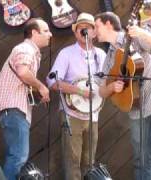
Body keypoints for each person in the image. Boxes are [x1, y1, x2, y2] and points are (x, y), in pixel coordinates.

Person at [94, 12, 151, 179]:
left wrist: (143, 32)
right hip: (136, 109)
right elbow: (101, 90)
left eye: (96, 26)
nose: (94, 31)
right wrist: (113, 86)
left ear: (108, 24)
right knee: (140, 160)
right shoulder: (110, 57)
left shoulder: (134, 37)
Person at [0, 17, 51, 180]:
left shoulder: (29, 51)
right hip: (14, 108)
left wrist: (35, 92)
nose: (50, 34)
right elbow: (23, 73)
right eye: (45, 31)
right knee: (18, 157)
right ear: (34, 33)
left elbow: (22, 79)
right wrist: (41, 87)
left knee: (16, 156)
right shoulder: (26, 49)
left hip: (13, 108)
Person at [46, 12, 106, 180]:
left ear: (94, 32)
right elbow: (53, 82)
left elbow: (106, 82)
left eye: (88, 28)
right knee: (72, 161)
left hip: (93, 115)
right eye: (81, 28)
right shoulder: (66, 54)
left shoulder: (100, 55)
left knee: (89, 161)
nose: (84, 31)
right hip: (71, 115)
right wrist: (79, 91)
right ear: (75, 32)